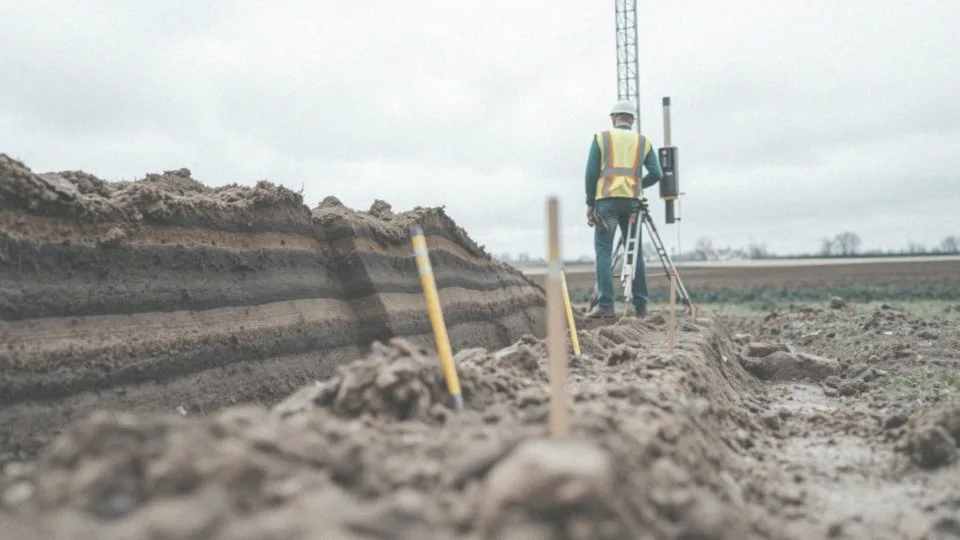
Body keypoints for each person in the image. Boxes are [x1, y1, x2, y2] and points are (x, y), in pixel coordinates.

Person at [584, 100, 663, 318]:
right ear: (632, 120)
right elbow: (656, 173)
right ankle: (641, 307)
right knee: (634, 252)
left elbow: (591, 174)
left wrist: (590, 202)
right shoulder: (643, 142)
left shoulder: (602, 138)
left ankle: (606, 305)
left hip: (606, 202)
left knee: (604, 251)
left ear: (613, 118)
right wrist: (637, 186)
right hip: (633, 204)